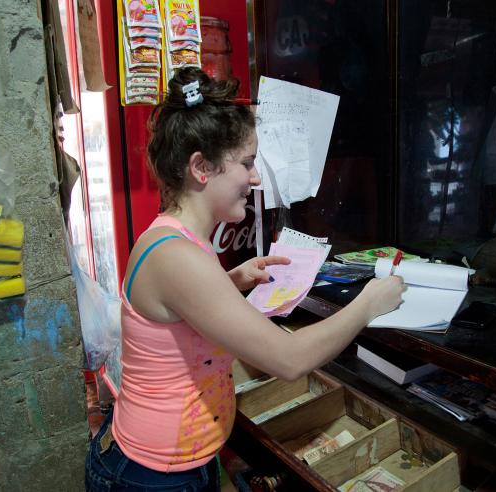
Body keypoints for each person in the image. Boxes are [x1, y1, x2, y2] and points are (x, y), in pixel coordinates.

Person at [85, 67, 405, 492]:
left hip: (173, 464)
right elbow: (288, 360)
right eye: (248, 163)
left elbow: (177, 314)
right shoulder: (178, 257)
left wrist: (232, 281)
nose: (255, 179)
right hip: (151, 477)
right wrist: (367, 303)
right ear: (202, 167)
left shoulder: (176, 240)